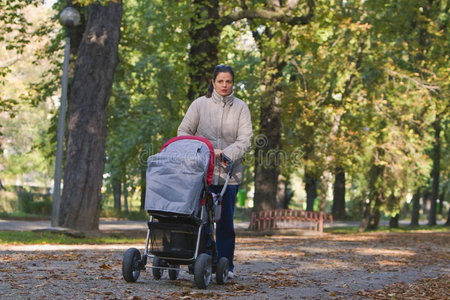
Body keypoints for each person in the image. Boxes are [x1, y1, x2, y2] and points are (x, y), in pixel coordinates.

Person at [178, 64, 253, 279]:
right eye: (220, 81)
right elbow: (183, 132)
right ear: (213, 82)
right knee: (200, 219)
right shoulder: (199, 105)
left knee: (224, 222)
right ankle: (201, 261)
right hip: (202, 173)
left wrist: (226, 154)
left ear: (232, 83)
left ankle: (225, 265)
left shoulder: (241, 108)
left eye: (228, 81)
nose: (224, 85)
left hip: (229, 174)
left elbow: (244, 140)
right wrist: (205, 150)